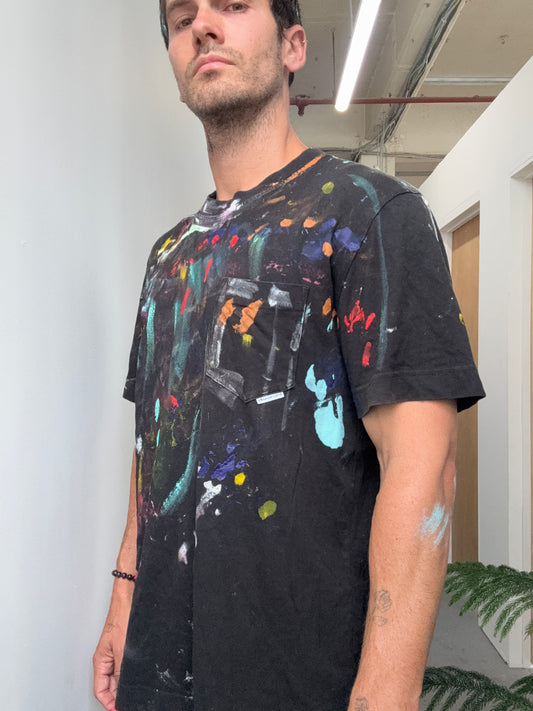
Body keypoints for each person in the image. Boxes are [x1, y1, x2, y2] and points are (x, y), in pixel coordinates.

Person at [93, 1, 485, 709]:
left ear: (294, 46)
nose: (202, 26)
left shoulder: (369, 214)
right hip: (160, 670)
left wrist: (385, 695)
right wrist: (123, 595)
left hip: (301, 676)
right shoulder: (168, 255)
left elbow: (423, 469)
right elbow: (154, 441)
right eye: (181, 18)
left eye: (233, 5)